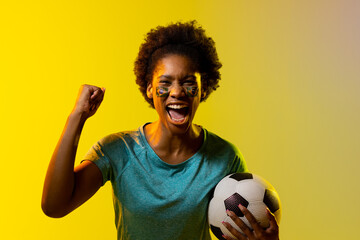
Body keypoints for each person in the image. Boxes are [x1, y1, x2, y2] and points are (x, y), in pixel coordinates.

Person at [42, 21, 279, 240]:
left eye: (188, 83)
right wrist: (77, 117)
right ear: (149, 89)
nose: (177, 92)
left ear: (203, 89)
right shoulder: (118, 151)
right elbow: (54, 206)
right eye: (165, 83)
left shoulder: (225, 157)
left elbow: (243, 230)